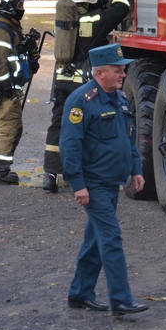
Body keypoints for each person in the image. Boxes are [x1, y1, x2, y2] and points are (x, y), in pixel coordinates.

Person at [60, 43, 149, 315]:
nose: (123, 74)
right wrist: (78, 185)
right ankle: (121, 299)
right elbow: (70, 145)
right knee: (111, 238)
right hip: (94, 184)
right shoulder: (81, 101)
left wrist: (136, 169)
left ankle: (80, 293)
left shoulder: (120, 99)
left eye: (123, 70)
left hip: (111, 183)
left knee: (95, 242)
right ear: (100, 72)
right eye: (118, 70)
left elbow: (128, 140)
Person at [42, 0, 132, 193]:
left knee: (58, 124)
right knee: (91, 127)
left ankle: (50, 174)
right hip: (82, 85)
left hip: (62, 81)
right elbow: (121, 9)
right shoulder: (96, 20)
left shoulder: (66, 20)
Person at [0, 0, 40, 184]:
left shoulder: (11, 27)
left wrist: (29, 48)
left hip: (9, 87)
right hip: (4, 90)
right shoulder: (1, 30)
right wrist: (7, 88)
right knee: (10, 127)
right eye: (20, 5)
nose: (22, 8)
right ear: (10, 6)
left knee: (3, 127)